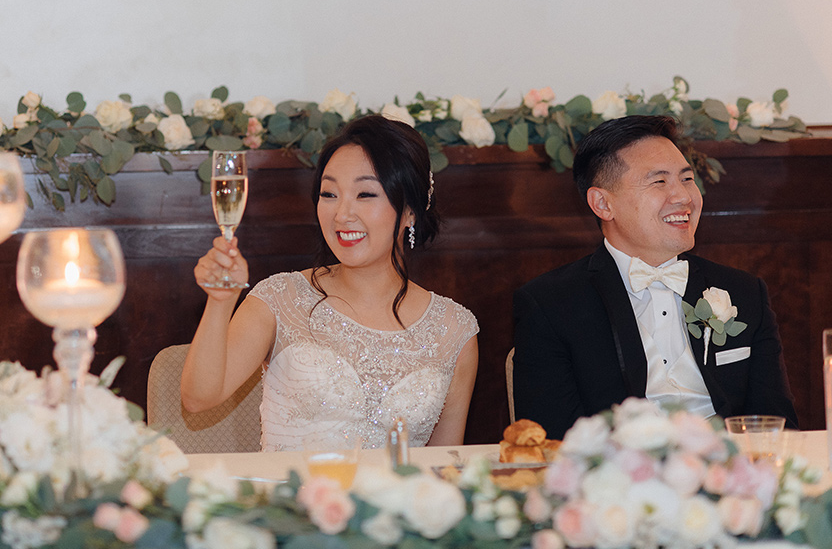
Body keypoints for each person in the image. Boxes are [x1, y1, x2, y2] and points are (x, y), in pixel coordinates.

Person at [181, 114, 479, 451]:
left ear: (411, 209)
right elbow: (198, 397)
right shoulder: (280, 298)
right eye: (329, 194)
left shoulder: (455, 331)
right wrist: (220, 301)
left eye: (365, 194)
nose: (342, 214)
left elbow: (443, 467)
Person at [512, 115, 797, 440]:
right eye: (659, 182)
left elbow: (776, 426)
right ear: (603, 203)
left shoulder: (745, 292)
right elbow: (553, 442)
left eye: (687, 179)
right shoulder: (551, 305)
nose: (684, 197)